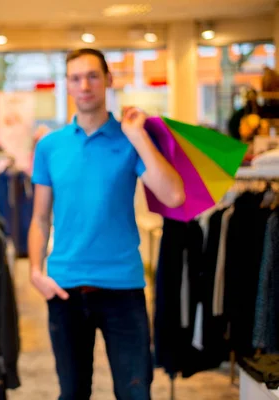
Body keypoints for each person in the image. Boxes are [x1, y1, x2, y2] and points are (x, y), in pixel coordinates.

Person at [29, 48, 185, 400]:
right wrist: (35, 272)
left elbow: (174, 195)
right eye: (75, 78)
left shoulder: (131, 139)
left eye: (93, 76)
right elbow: (40, 217)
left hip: (123, 287)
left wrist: (138, 135)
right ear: (66, 85)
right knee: (72, 394)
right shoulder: (50, 146)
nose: (84, 85)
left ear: (108, 80)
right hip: (65, 288)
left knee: (135, 393)